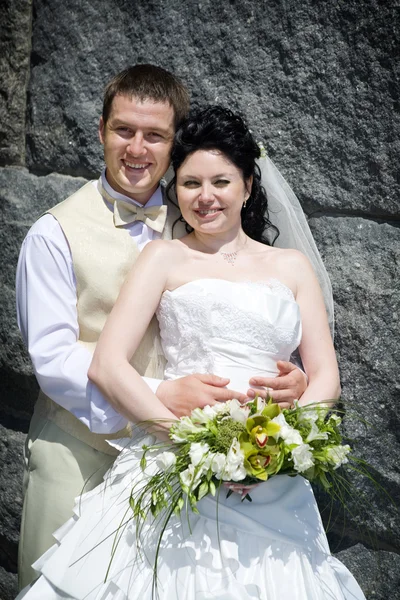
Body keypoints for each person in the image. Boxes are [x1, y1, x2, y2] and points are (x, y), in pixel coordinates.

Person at [16, 106, 366, 600]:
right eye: (189, 184)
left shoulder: (292, 267)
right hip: (177, 460)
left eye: (220, 182)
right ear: (175, 190)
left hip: (272, 473)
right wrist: (182, 438)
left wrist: (279, 450)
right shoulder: (164, 257)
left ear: (247, 185)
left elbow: (325, 374)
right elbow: (107, 363)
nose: (205, 198)